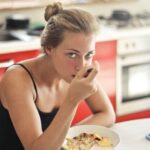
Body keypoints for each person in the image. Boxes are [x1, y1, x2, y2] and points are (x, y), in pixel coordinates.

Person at [0, 2, 116, 150]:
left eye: (89, 55)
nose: (81, 65)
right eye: (72, 54)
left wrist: (65, 138)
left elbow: (107, 114)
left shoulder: (78, 69)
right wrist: (72, 100)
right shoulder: (18, 79)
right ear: (49, 48)